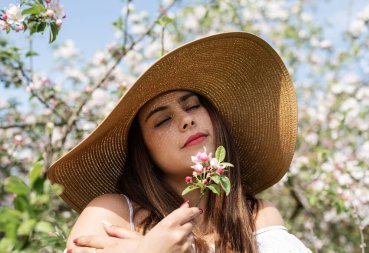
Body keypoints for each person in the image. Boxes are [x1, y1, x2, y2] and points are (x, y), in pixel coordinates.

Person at [48, 32, 312, 253]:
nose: (186, 120)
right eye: (162, 120)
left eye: (194, 106)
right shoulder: (111, 213)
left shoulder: (254, 217)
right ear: (144, 150)